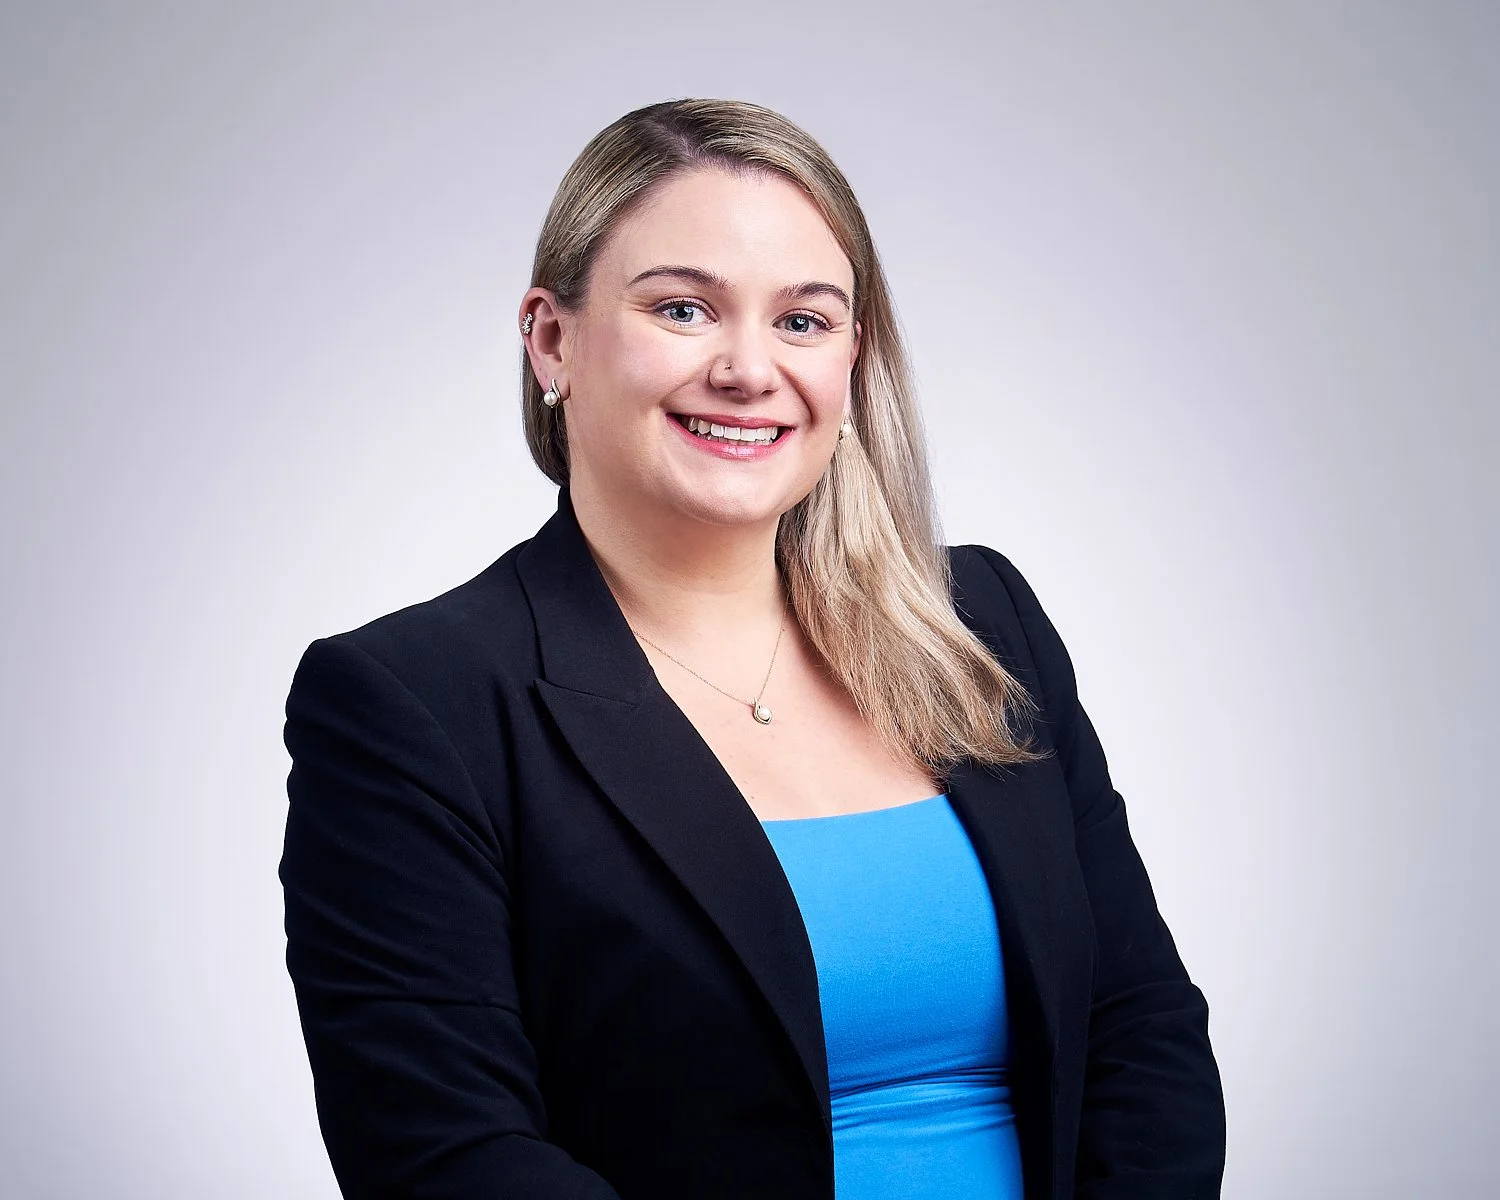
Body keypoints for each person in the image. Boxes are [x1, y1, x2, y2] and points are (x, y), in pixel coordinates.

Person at [279, 98, 1226, 1199]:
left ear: (854, 356)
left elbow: (1140, 1026)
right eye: (683, 309)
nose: (748, 369)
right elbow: (447, 1156)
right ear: (552, 339)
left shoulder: (983, 620)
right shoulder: (413, 703)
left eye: (804, 320)